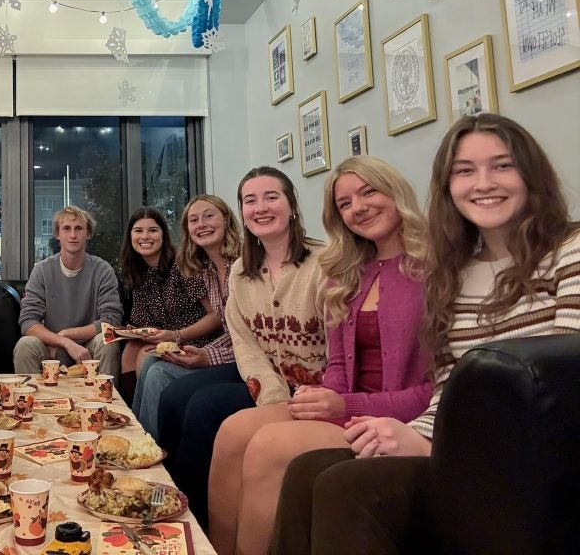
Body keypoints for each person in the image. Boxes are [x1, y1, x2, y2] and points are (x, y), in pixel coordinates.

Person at [271, 114, 580, 555]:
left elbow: (565, 393)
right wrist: (410, 434)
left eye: (503, 165)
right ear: (448, 186)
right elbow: (446, 387)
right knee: (306, 471)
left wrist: (427, 443)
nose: (483, 183)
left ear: (532, 173)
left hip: (536, 465)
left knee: (346, 485)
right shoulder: (457, 273)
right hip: (459, 452)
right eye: (465, 171)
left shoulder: (570, 250)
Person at [207, 156, 432, 555]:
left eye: (368, 192)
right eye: (345, 203)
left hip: (390, 415)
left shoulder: (432, 268)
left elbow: (437, 383)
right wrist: (325, 397)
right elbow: (340, 361)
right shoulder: (347, 269)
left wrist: (338, 400)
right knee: (234, 429)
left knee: (269, 445)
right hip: (343, 401)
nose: (357, 208)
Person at [162, 168, 327, 526]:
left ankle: (194, 516)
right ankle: (181, 511)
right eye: (250, 200)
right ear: (242, 211)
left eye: (271, 197)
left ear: (292, 205)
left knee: (204, 406)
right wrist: (272, 400)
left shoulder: (325, 264)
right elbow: (246, 345)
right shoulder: (241, 272)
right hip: (270, 384)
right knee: (180, 397)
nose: (261, 207)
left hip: (319, 391)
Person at [131, 195, 240, 440]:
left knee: (157, 370)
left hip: (222, 352)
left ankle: (150, 450)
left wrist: (196, 347)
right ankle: (138, 438)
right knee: (148, 361)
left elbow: (226, 326)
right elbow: (230, 327)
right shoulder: (210, 270)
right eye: (194, 220)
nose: (201, 224)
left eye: (209, 216)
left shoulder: (231, 267)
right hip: (210, 348)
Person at [117, 206, 221, 403]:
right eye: (138, 230)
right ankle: (131, 415)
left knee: (144, 357)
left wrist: (177, 335)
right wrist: (136, 331)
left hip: (198, 340)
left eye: (153, 230)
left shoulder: (182, 264)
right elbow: (145, 322)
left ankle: (147, 421)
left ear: (164, 236)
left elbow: (216, 315)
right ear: (130, 236)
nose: (145, 236)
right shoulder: (139, 272)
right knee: (131, 349)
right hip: (167, 338)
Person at [14, 205, 123, 376]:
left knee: (107, 341)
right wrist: (64, 342)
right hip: (52, 347)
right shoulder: (42, 270)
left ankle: (106, 401)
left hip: (90, 346)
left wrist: (68, 334)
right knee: (25, 345)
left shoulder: (102, 269)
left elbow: (112, 320)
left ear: (88, 234)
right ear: (58, 234)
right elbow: (28, 322)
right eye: (66, 228)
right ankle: (29, 401)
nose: (73, 235)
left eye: (79, 228)